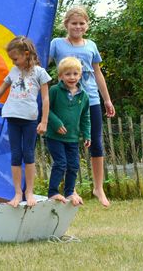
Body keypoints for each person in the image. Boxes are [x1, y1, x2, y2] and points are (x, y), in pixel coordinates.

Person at [49, 6, 116, 207]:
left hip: (90, 99)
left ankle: (98, 188)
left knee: (95, 141)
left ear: (87, 25)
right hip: (65, 102)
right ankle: (72, 189)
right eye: (74, 23)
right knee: (68, 140)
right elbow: (43, 65)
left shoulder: (91, 46)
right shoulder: (57, 44)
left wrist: (107, 99)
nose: (78, 26)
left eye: (81, 23)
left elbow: (98, 73)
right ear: (66, 25)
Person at [0, 35, 51, 207]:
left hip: (30, 119)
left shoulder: (40, 73)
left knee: (29, 154)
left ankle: (29, 192)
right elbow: (0, 89)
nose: (13, 62)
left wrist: (44, 121)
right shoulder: (14, 72)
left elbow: (46, 99)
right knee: (16, 155)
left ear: (26, 54)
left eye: (15, 59)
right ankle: (17, 193)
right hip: (12, 116)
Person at [45, 57, 90, 206]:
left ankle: (70, 192)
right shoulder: (55, 91)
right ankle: (53, 192)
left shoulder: (84, 96)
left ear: (80, 75)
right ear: (60, 76)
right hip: (55, 136)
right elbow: (46, 109)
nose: (72, 77)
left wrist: (87, 134)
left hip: (72, 138)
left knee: (74, 165)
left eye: (75, 74)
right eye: (68, 74)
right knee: (61, 163)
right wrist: (56, 122)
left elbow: (85, 117)